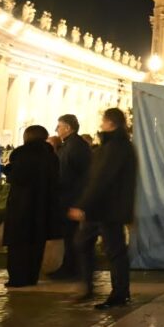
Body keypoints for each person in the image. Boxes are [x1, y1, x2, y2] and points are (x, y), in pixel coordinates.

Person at [69, 107, 137, 310]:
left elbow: (101, 180)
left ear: (111, 123)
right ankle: (91, 286)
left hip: (107, 209)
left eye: (103, 121)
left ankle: (119, 293)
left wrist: (83, 205)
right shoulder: (115, 146)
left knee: (114, 251)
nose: (101, 124)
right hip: (102, 208)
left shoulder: (116, 147)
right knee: (84, 243)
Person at [2, 125, 60, 287]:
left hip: (21, 205)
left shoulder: (21, 153)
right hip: (42, 206)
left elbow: (17, 176)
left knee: (18, 245)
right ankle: (31, 276)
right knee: (37, 244)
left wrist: (7, 170)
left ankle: (17, 277)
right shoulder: (51, 156)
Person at [51, 114, 92, 280]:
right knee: (69, 235)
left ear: (68, 127)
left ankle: (72, 268)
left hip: (71, 197)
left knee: (71, 234)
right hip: (70, 195)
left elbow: (74, 174)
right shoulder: (72, 145)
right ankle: (69, 266)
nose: (56, 129)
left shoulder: (74, 146)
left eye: (59, 126)